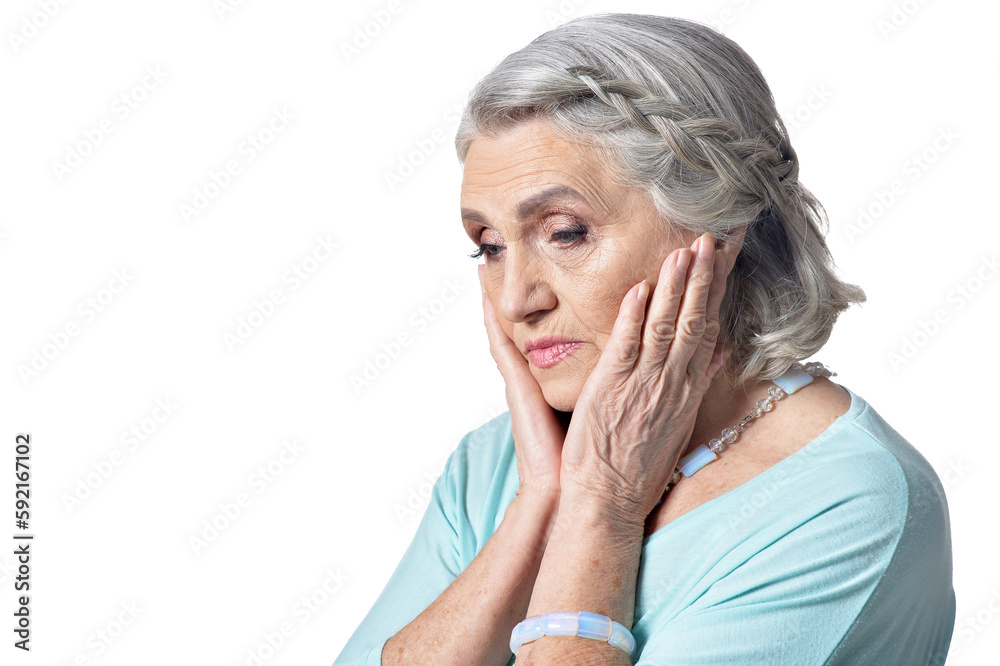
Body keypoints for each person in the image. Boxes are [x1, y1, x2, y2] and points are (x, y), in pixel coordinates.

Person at [334, 13, 955, 665]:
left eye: (565, 232)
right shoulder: (496, 465)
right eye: (488, 246)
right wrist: (540, 501)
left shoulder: (847, 500)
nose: (515, 299)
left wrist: (601, 504)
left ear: (718, 225)